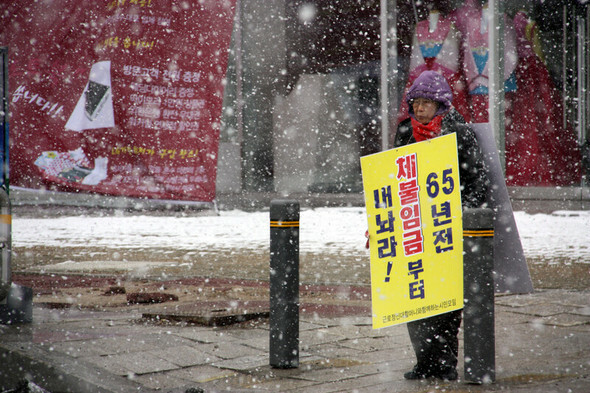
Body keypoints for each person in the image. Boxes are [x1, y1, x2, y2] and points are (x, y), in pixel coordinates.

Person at [394, 70, 489, 381]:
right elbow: (394, 180)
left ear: (441, 105)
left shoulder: (459, 133)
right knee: (417, 294)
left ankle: (444, 363)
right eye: (415, 103)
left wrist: (463, 215)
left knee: (446, 302)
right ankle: (424, 361)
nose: (420, 109)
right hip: (415, 228)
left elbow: (477, 183)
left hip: (449, 229)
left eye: (426, 103)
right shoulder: (406, 133)